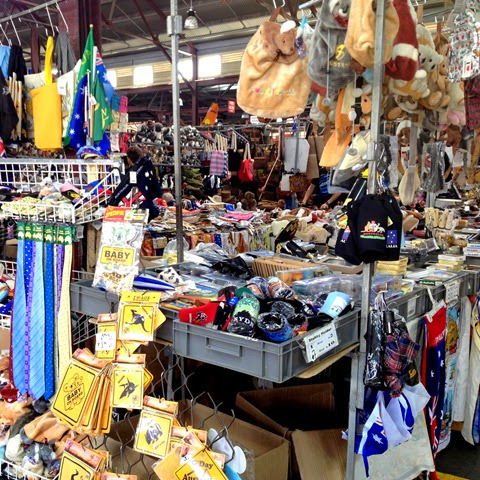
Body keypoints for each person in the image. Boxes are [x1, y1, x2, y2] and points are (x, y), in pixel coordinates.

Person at [108, 146, 163, 220]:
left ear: (129, 158)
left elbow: (125, 188)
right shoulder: (147, 166)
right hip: (148, 204)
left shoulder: (134, 171)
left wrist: (112, 202)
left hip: (139, 208)